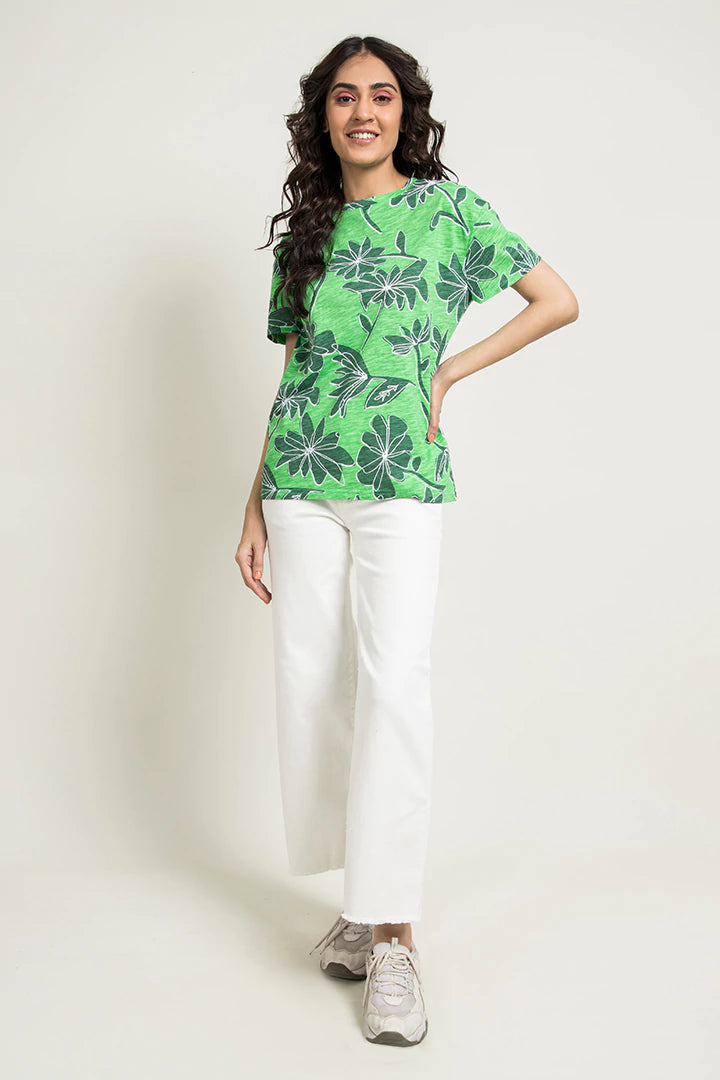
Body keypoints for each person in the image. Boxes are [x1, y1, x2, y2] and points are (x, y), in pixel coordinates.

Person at [235, 35, 579, 1047]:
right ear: (323, 116)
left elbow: (556, 299)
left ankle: (394, 939)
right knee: (312, 687)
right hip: (300, 480)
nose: (363, 112)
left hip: (398, 478)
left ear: (405, 111)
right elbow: (295, 372)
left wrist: (447, 372)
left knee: (394, 688)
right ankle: (359, 901)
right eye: (344, 97)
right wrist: (251, 501)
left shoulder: (448, 212)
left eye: (381, 95)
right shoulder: (309, 228)